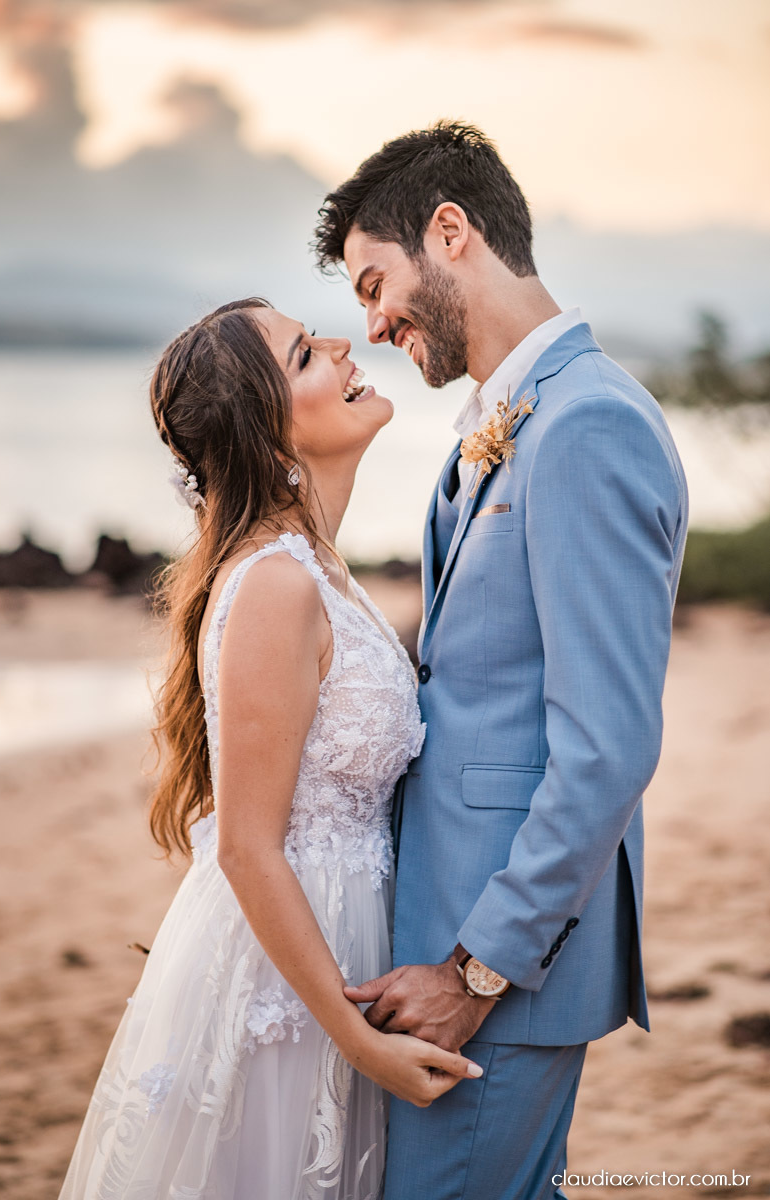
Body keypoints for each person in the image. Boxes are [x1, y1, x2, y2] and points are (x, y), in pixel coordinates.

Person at [313, 121, 689, 1199]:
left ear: (452, 230)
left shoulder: (587, 426)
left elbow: (608, 748)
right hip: (446, 929)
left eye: (376, 283)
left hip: (500, 965)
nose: (374, 322)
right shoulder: (505, 419)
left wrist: (477, 972)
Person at [57, 298, 483, 1200]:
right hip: (294, 981)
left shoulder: (312, 564)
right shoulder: (276, 586)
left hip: (344, 939)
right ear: (269, 432)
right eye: (304, 353)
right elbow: (248, 846)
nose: (340, 343)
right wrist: (357, 1038)